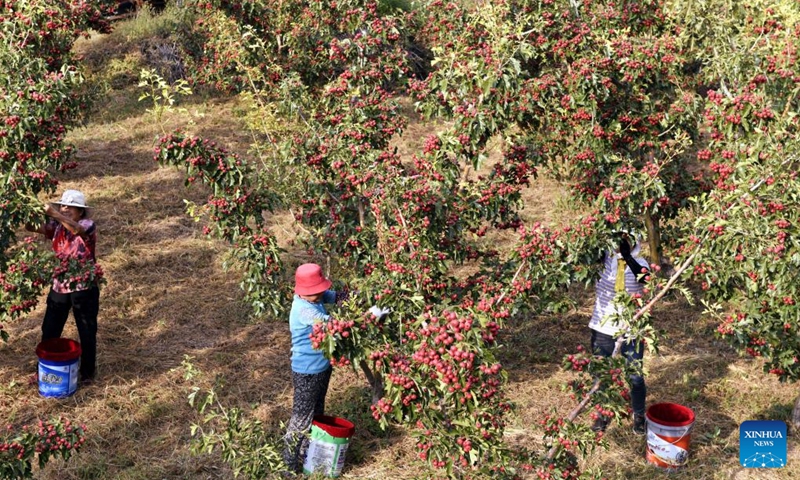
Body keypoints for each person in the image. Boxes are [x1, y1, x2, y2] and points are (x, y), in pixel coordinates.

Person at [26, 189, 100, 384]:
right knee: (50, 328)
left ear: (80, 212)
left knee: (86, 329)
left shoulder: (87, 225)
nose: (65, 209)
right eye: (63, 206)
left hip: (84, 286)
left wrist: (54, 213)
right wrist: (29, 210)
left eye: (70, 207)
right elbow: (32, 227)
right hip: (60, 285)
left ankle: (87, 373)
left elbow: (77, 230)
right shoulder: (56, 226)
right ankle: (42, 370)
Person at [282, 263, 344, 473]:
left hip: (321, 368)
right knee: (301, 418)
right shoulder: (304, 310)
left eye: (320, 290)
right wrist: (367, 316)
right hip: (307, 372)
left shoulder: (315, 297)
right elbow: (332, 324)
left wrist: (356, 297)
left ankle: (307, 454)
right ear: (304, 292)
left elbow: (334, 296)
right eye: (315, 292)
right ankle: (288, 466)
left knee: (316, 413)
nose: (320, 295)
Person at [588, 233, 650, 435]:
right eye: (618, 239)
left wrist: (628, 257)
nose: (620, 243)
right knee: (602, 375)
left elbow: (645, 279)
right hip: (603, 328)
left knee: (635, 377)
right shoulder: (604, 259)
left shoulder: (640, 263)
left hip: (630, 331)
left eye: (626, 240)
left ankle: (639, 415)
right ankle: (602, 413)